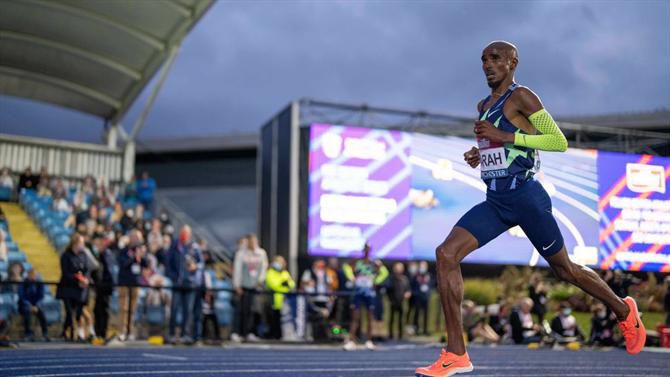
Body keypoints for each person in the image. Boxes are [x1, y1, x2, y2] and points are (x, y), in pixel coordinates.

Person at [416, 41, 646, 377]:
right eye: (483, 59)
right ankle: (456, 353)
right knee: (446, 255)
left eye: (495, 58)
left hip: (526, 198)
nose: (487, 64)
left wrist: (505, 137)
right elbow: (497, 146)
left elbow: (557, 141)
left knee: (565, 270)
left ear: (512, 62)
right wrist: (479, 153)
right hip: (496, 201)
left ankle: (623, 310)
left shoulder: (522, 97)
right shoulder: (483, 105)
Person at [342, 243, 388, 351]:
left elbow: (385, 272)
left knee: (370, 317)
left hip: (369, 292)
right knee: (355, 317)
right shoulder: (357, 261)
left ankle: (369, 341)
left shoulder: (375, 262)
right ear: (363, 250)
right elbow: (345, 267)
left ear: (370, 250)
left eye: (368, 249)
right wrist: (351, 278)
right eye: (365, 249)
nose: (366, 251)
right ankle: (351, 341)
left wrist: (376, 281)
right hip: (358, 291)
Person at [166, 225, 204, 345]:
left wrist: (195, 267)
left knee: (188, 311)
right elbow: (168, 262)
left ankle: (185, 334)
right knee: (174, 309)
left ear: (190, 234)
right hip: (178, 283)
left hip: (190, 284)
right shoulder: (175, 245)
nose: (184, 235)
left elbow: (201, 263)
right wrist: (173, 277)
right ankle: (172, 334)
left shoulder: (194, 246)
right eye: (182, 232)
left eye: (186, 233)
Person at [231, 234, 268, 342]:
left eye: (254, 241)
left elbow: (263, 268)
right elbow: (237, 270)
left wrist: (260, 282)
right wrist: (237, 285)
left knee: (252, 310)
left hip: (254, 286)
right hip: (243, 286)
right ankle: (237, 332)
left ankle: (250, 332)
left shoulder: (261, 253)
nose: (252, 243)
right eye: (250, 241)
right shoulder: (241, 254)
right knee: (240, 310)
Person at [56, 233, 90, 341]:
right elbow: (66, 273)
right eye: (81, 243)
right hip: (67, 288)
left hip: (79, 289)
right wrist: (77, 279)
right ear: (74, 243)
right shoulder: (66, 255)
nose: (82, 245)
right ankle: (72, 333)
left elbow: (87, 269)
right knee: (70, 312)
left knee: (78, 313)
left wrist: (85, 279)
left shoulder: (83, 255)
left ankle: (65, 331)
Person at [116, 229, 148, 341]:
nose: (137, 240)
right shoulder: (124, 250)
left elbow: (146, 264)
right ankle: (122, 331)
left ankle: (130, 331)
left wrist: (142, 256)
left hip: (136, 281)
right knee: (123, 308)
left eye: (138, 238)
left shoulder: (140, 250)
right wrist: (134, 257)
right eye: (135, 237)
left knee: (133, 309)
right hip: (124, 281)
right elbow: (123, 264)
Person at [92, 234, 116, 340]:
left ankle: (102, 332)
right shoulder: (103, 254)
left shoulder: (105, 254)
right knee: (98, 310)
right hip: (102, 286)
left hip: (105, 286)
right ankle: (99, 332)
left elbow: (107, 272)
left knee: (103, 310)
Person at [265, 256, 295, 340]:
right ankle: (273, 336)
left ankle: (283, 335)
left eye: (281, 262)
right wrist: (283, 286)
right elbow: (273, 285)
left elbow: (292, 284)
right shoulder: (270, 272)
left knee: (284, 320)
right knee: (273, 320)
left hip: (285, 302)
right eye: (277, 261)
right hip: (273, 301)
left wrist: (284, 285)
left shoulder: (285, 273)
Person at [18, 269, 49, 341]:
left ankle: (45, 333)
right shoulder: (23, 283)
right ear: (28, 275)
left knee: (42, 313)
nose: (33, 277)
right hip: (24, 304)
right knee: (27, 312)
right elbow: (22, 297)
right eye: (31, 275)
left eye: (34, 275)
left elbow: (41, 296)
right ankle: (28, 333)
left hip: (36, 305)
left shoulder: (39, 283)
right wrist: (29, 305)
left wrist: (37, 305)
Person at [387, 262, 411, 339]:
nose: (398, 270)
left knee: (401, 318)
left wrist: (407, 293)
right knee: (392, 318)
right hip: (393, 301)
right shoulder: (391, 279)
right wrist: (390, 299)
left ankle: (400, 334)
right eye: (397, 268)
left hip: (402, 301)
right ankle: (390, 334)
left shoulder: (404, 279)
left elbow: (408, 289)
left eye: (400, 268)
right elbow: (388, 289)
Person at [410, 261, 432, 336]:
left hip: (426, 297)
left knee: (426, 314)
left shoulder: (429, 275)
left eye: (424, 266)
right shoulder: (416, 275)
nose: (423, 267)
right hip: (418, 297)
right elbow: (412, 285)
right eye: (421, 266)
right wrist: (415, 293)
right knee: (417, 313)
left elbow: (431, 284)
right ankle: (416, 329)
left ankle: (425, 330)